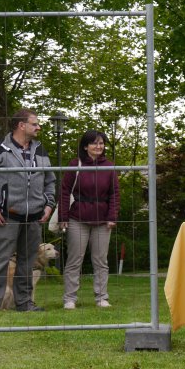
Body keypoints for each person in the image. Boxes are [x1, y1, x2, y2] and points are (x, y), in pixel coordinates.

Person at [0, 108, 56, 312]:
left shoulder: (40, 150)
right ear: (21, 125)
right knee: (0, 259)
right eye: (34, 124)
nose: (38, 127)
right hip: (6, 216)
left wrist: (48, 205)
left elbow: (50, 181)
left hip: (34, 217)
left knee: (27, 262)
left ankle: (24, 302)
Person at [59, 130, 120, 310]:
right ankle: (70, 299)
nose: (98, 146)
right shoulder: (75, 165)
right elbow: (64, 192)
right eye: (94, 143)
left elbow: (115, 194)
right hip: (77, 219)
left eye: (101, 143)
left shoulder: (109, 167)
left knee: (101, 261)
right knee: (74, 260)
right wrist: (63, 217)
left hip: (102, 221)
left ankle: (101, 298)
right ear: (85, 146)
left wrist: (112, 217)